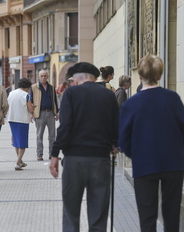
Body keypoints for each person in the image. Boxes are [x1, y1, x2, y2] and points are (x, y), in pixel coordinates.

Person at [119, 55, 184, 232]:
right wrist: (177, 151)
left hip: (144, 164)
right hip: (173, 163)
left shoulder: (131, 104)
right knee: (171, 214)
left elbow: (123, 138)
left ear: (140, 76)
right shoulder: (172, 98)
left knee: (147, 217)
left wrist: (135, 154)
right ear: (160, 74)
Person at [49, 62, 119, 232]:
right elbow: (116, 125)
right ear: (94, 78)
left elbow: (65, 127)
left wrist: (54, 154)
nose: (71, 84)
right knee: (99, 214)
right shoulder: (109, 95)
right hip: (101, 160)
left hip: (74, 160)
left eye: (72, 81)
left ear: (77, 79)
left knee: (71, 212)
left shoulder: (71, 93)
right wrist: (115, 144)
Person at [30, 69, 59, 161]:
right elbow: (30, 101)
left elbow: (55, 100)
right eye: (41, 76)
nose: (43, 77)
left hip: (50, 113)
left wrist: (56, 112)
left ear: (47, 77)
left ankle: (52, 154)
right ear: (38, 77)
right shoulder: (34, 87)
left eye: (45, 76)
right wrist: (31, 113)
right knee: (39, 135)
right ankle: (39, 154)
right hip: (40, 113)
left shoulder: (51, 87)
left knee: (52, 135)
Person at [6, 78, 33, 171]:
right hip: (22, 120)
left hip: (11, 118)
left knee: (16, 140)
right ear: (26, 88)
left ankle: (20, 160)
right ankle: (17, 162)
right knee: (23, 142)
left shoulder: (11, 93)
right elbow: (30, 109)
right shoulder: (26, 95)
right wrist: (33, 108)